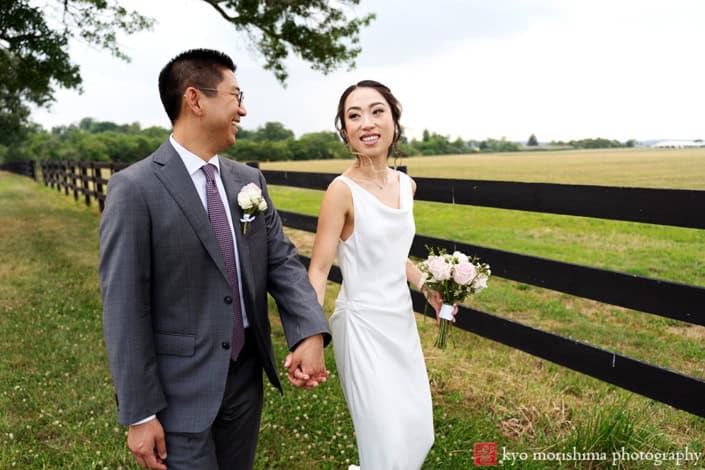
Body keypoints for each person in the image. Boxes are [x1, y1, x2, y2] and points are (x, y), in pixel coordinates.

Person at [99, 48, 330, 470]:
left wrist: (309, 332)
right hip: (177, 393)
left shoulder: (249, 181)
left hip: (244, 380)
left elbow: (281, 261)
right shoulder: (134, 189)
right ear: (195, 99)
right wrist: (139, 412)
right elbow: (124, 307)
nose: (243, 109)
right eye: (235, 95)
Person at [308, 80, 447, 469]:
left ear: (393, 121)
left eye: (376, 111)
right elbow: (318, 269)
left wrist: (426, 284)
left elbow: (391, 256)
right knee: (384, 443)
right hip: (362, 325)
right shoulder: (341, 191)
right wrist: (311, 334)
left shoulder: (407, 184)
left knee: (418, 432)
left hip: (399, 323)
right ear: (346, 131)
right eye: (354, 116)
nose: (366, 123)